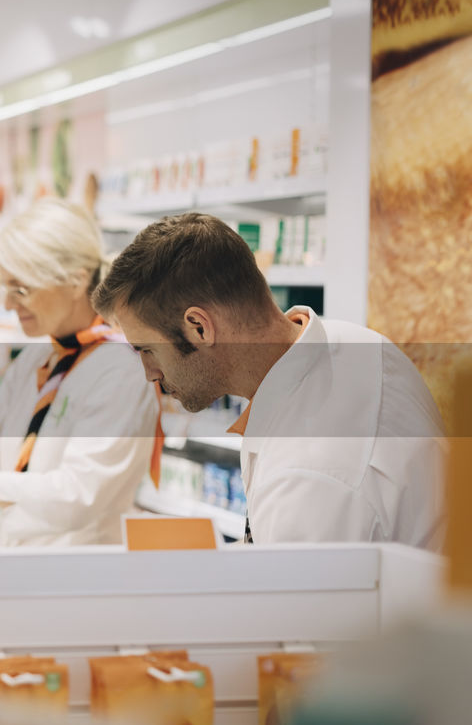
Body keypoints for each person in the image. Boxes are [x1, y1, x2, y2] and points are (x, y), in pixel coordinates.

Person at [91, 211, 447, 549]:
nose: (149, 373)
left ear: (199, 327)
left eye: (147, 349)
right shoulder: (354, 342)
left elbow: (297, 611)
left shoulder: (309, 482)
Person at [0, 198, 161, 546]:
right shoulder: (38, 358)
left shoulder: (122, 372)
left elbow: (77, 496)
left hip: (79, 578)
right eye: (4, 288)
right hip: (22, 563)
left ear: (75, 282)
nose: (8, 304)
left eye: (21, 289)